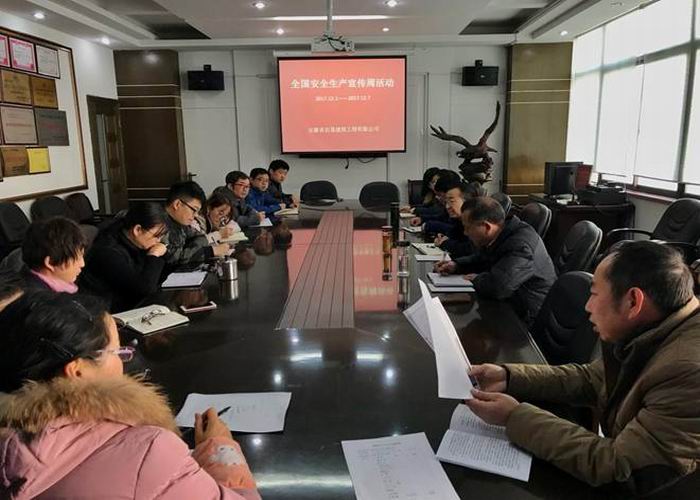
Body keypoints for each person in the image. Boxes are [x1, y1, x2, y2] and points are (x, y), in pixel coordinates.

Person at [465, 241, 700, 496]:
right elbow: (593, 378)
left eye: (595, 294)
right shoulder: (653, 327)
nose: (587, 306)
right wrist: (509, 377)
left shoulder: (688, 372)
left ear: (633, 301)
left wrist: (514, 417)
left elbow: (621, 469)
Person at [0, 291, 260, 499]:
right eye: (117, 351)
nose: (124, 361)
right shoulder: (147, 454)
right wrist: (218, 449)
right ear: (77, 371)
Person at [435, 196, 556, 324]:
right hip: (509, 304)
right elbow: (482, 258)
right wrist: (457, 265)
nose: (465, 232)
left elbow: (499, 288)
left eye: (467, 227)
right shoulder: (502, 233)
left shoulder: (521, 245)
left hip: (526, 317)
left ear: (487, 227)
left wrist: (476, 278)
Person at [79, 202, 169, 312]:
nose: (158, 241)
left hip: (128, 303)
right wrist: (154, 255)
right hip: (104, 311)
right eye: (156, 236)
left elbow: (158, 278)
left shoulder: (133, 241)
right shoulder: (108, 251)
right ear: (137, 230)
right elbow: (143, 289)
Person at [162, 181, 230, 267]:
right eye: (194, 210)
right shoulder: (159, 224)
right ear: (177, 204)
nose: (196, 215)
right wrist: (211, 251)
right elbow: (176, 258)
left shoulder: (180, 222)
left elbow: (199, 237)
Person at [19, 216, 86, 293]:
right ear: (50, 262)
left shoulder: (27, 280)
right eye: (78, 258)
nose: (82, 264)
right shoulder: (42, 298)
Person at [433, 182, 485, 258]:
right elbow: (453, 236)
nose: (447, 207)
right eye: (446, 202)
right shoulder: (458, 219)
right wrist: (443, 238)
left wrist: (445, 243)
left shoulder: (478, 221)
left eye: (451, 201)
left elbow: (469, 249)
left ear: (467, 201)